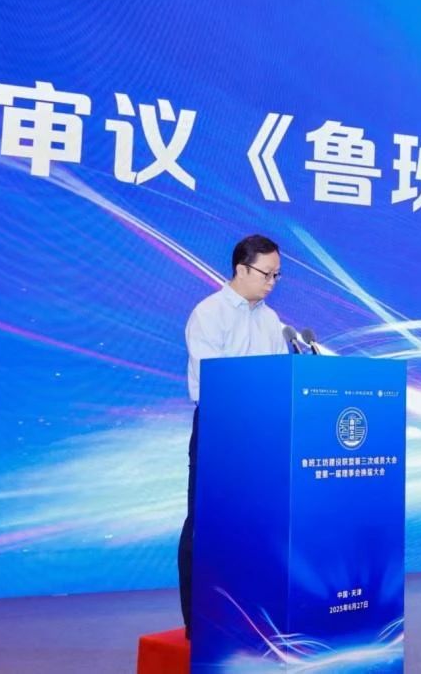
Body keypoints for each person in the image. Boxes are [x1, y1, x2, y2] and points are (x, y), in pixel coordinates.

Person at [178, 234, 290, 636]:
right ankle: (199, 622)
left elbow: (282, 375)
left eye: (277, 275)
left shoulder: (271, 320)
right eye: (266, 274)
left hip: (262, 433)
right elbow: (213, 382)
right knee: (206, 523)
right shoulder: (209, 313)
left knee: (256, 522)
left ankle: (250, 613)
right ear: (241, 268)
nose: (272, 282)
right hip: (220, 430)